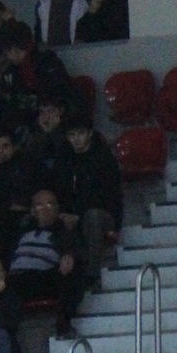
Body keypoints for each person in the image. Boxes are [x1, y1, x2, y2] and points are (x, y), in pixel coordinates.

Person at [6, 187, 83, 337]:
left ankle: (64, 321)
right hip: (16, 278)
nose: (45, 209)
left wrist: (69, 255)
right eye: (39, 205)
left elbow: (75, 247)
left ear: (57, 208)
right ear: (32, 210)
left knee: (75, 271)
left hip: (44, 278)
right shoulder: (20, 231)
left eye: (50, 204)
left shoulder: (63, 231)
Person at [59, 114, 124, 282]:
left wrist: (77, 216)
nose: (76, 139)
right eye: (72, 135)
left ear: (89, 134)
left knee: (92, 216)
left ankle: (92, 273)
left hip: (103, 215)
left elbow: (109, 196)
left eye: (80, 134)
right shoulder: (64, 161)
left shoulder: (104, 159)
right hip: (72, 214)